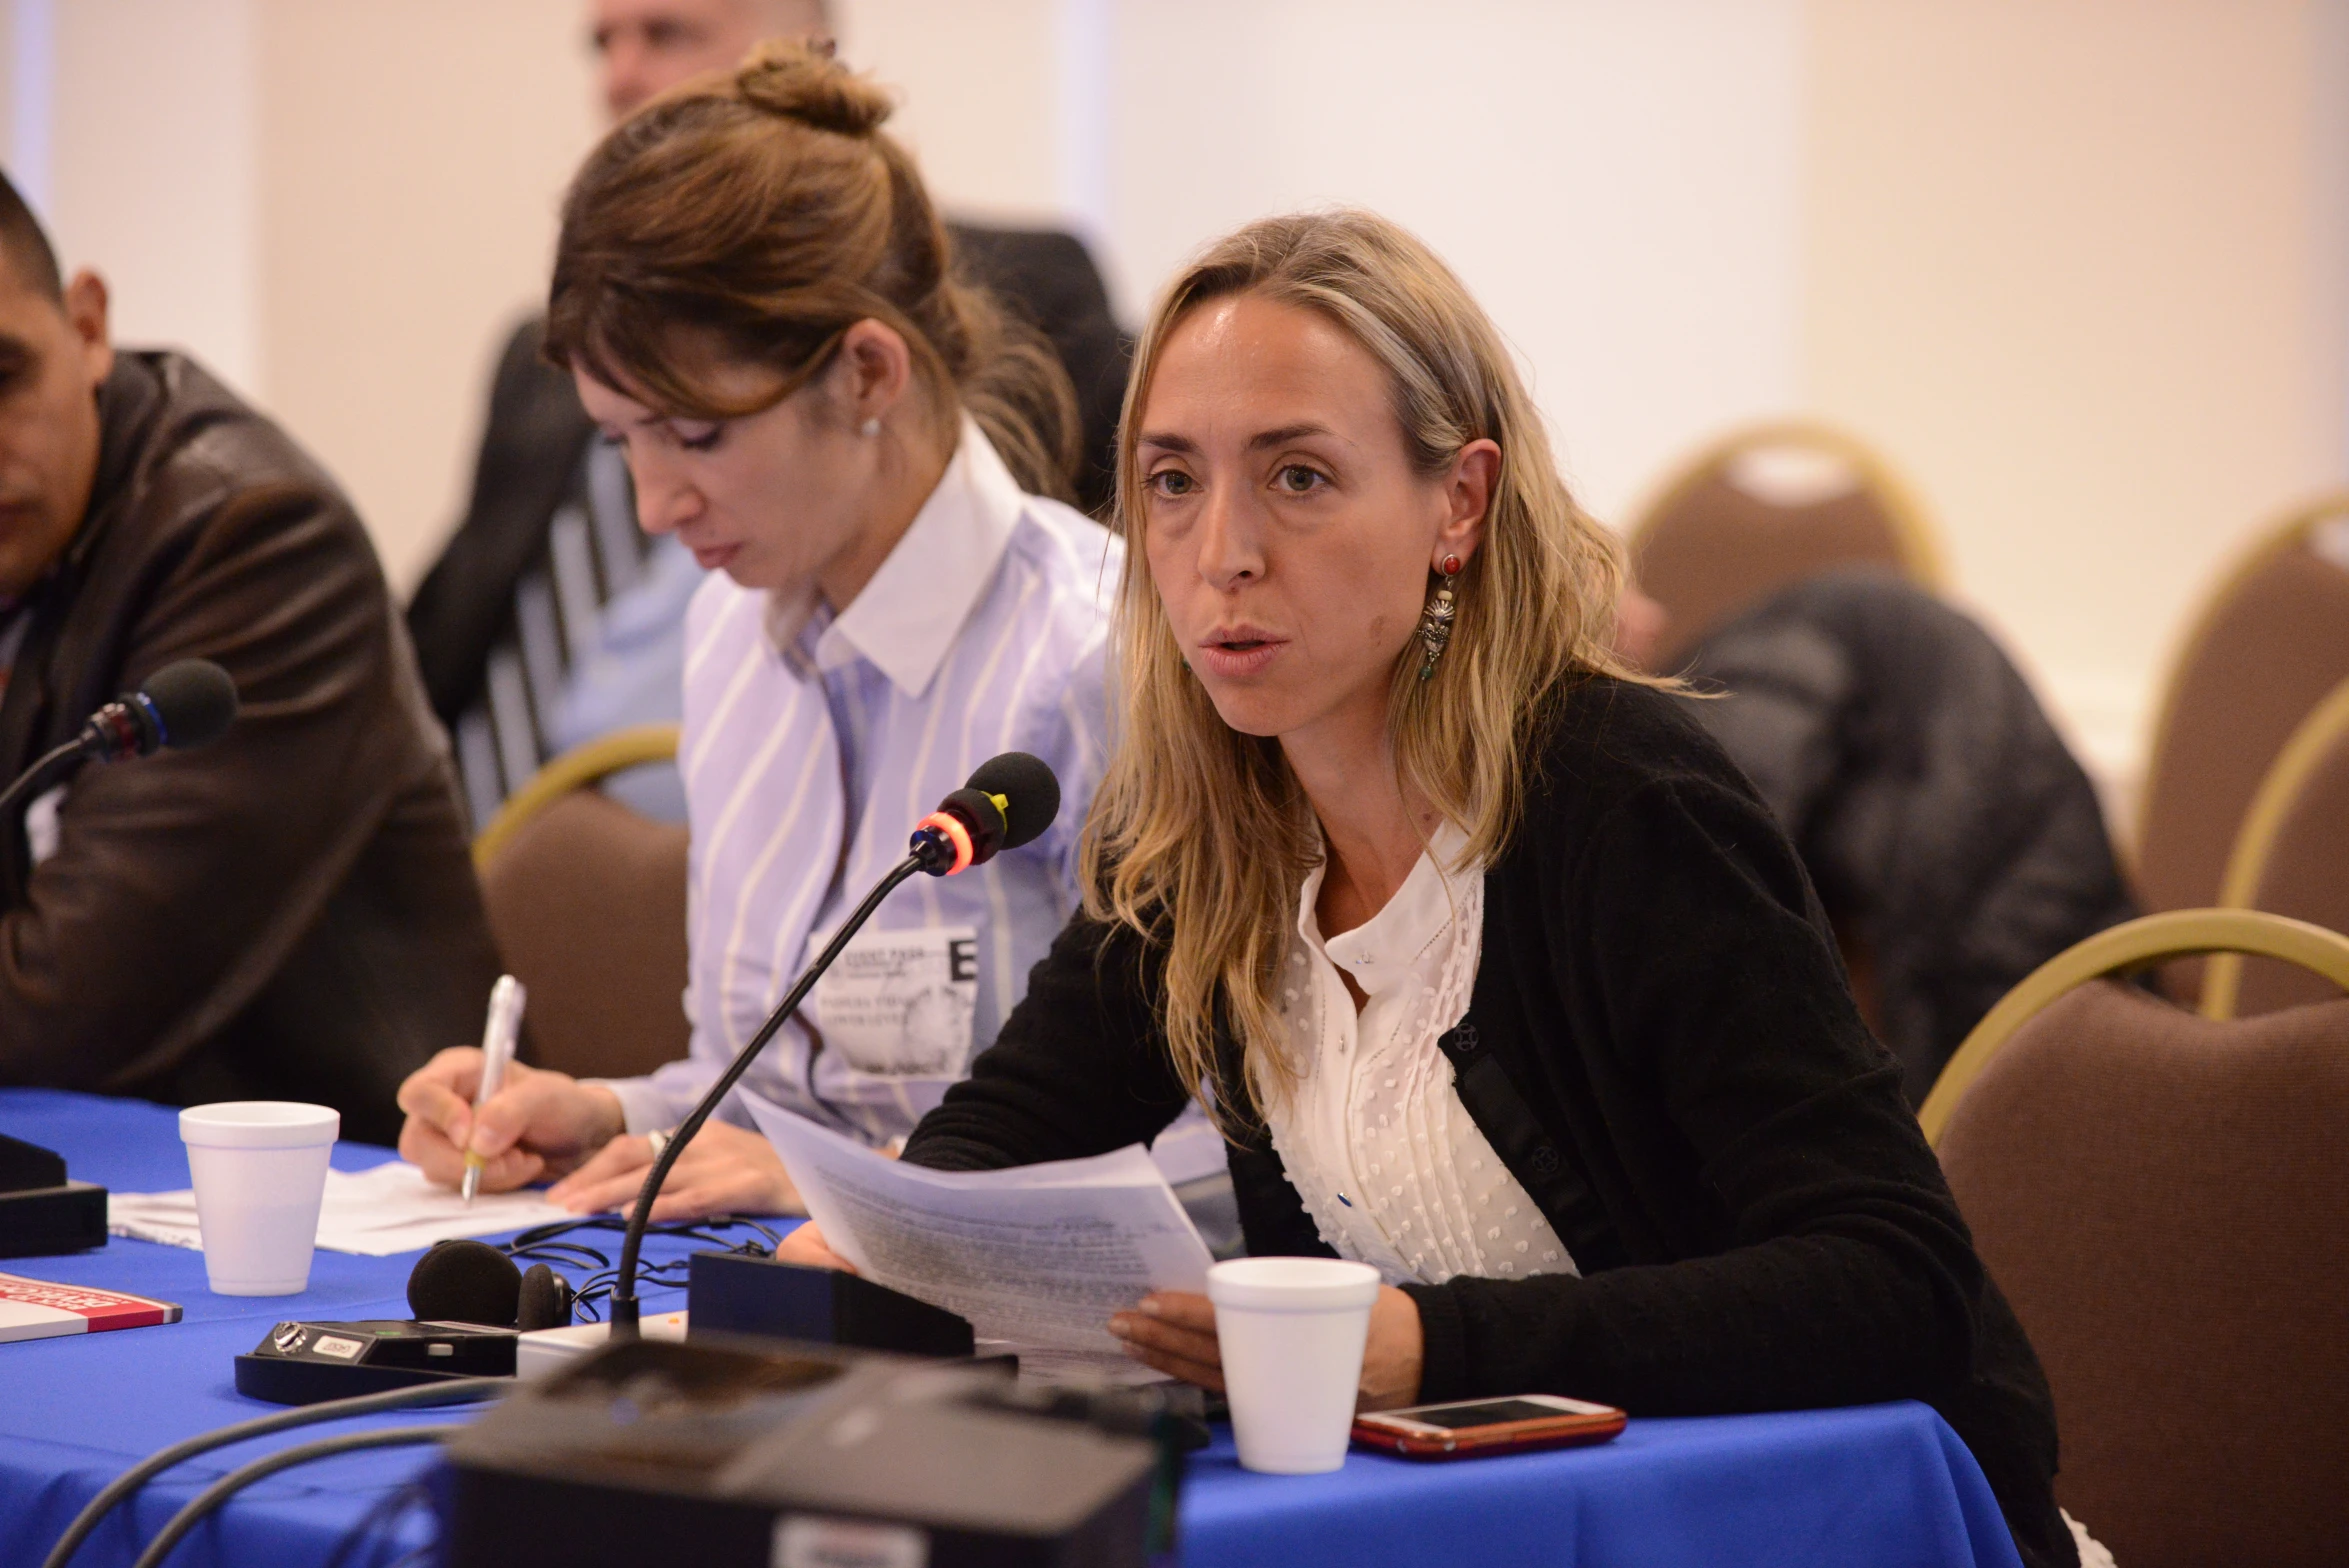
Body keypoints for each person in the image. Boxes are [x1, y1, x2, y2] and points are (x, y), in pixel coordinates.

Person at [779, 210, 2093, 1567]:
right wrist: (888, 1245)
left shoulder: (1623, 808)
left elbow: (1893, 1281)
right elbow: (1012, 1131)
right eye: (1172, 481)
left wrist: (1421, 1345)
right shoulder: (1199, 829)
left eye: (1295, 477)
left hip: (1799, 1528)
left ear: (1455, 503)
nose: (1221, 550)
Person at [394, 43, 1221, 1224]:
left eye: (694, 433)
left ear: (868, 371)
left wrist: (871, 1191)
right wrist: (609, 1112)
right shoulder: (729, 637)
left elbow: (1226, 1155)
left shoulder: (1100, 657)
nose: (654, 504)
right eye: (623, 440)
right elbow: (775, 1092)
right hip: (764, 1304)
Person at [404, 0, 1129, 829]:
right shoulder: (728, 634)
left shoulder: (1082, 659)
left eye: (668, 32)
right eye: (604, 44)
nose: (621, 77)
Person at [0, 171, 502, 1144]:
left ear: (89, 326)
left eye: (3, 375)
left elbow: (63, 1003)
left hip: (339, 1201)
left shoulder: (251, 536)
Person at [1665, 571, 2137, 1101]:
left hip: (1995, 933)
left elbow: (1709, 873)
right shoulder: (1755, 653)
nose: (1646, 614)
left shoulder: (1740, 669)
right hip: (2028, 905)